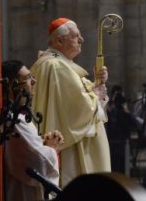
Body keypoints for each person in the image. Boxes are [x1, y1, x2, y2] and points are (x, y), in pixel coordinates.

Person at [30, 17, 110, 186]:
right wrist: (96, 94)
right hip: (72, 150)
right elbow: (80, 109)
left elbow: (82, 97)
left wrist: (97, 84)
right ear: (59, 40)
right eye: (76, 36)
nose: (81, 40)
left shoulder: (56, 64)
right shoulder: (56, 66)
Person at [2, 60, 63, 201]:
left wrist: (43, 143)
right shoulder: (13, 121)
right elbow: (36, 165)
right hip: (23, 196)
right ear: (12, 86)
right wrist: (52, 148)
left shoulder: (16, 117)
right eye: (28, 78)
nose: (33, 82)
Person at [105, 85, 141, 175]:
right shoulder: (107, 112)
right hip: (114, 145)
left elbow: (135, 124)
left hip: (122, 145)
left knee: (120, 169)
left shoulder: (120, 113)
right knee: (115, 169)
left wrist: (126, 112)